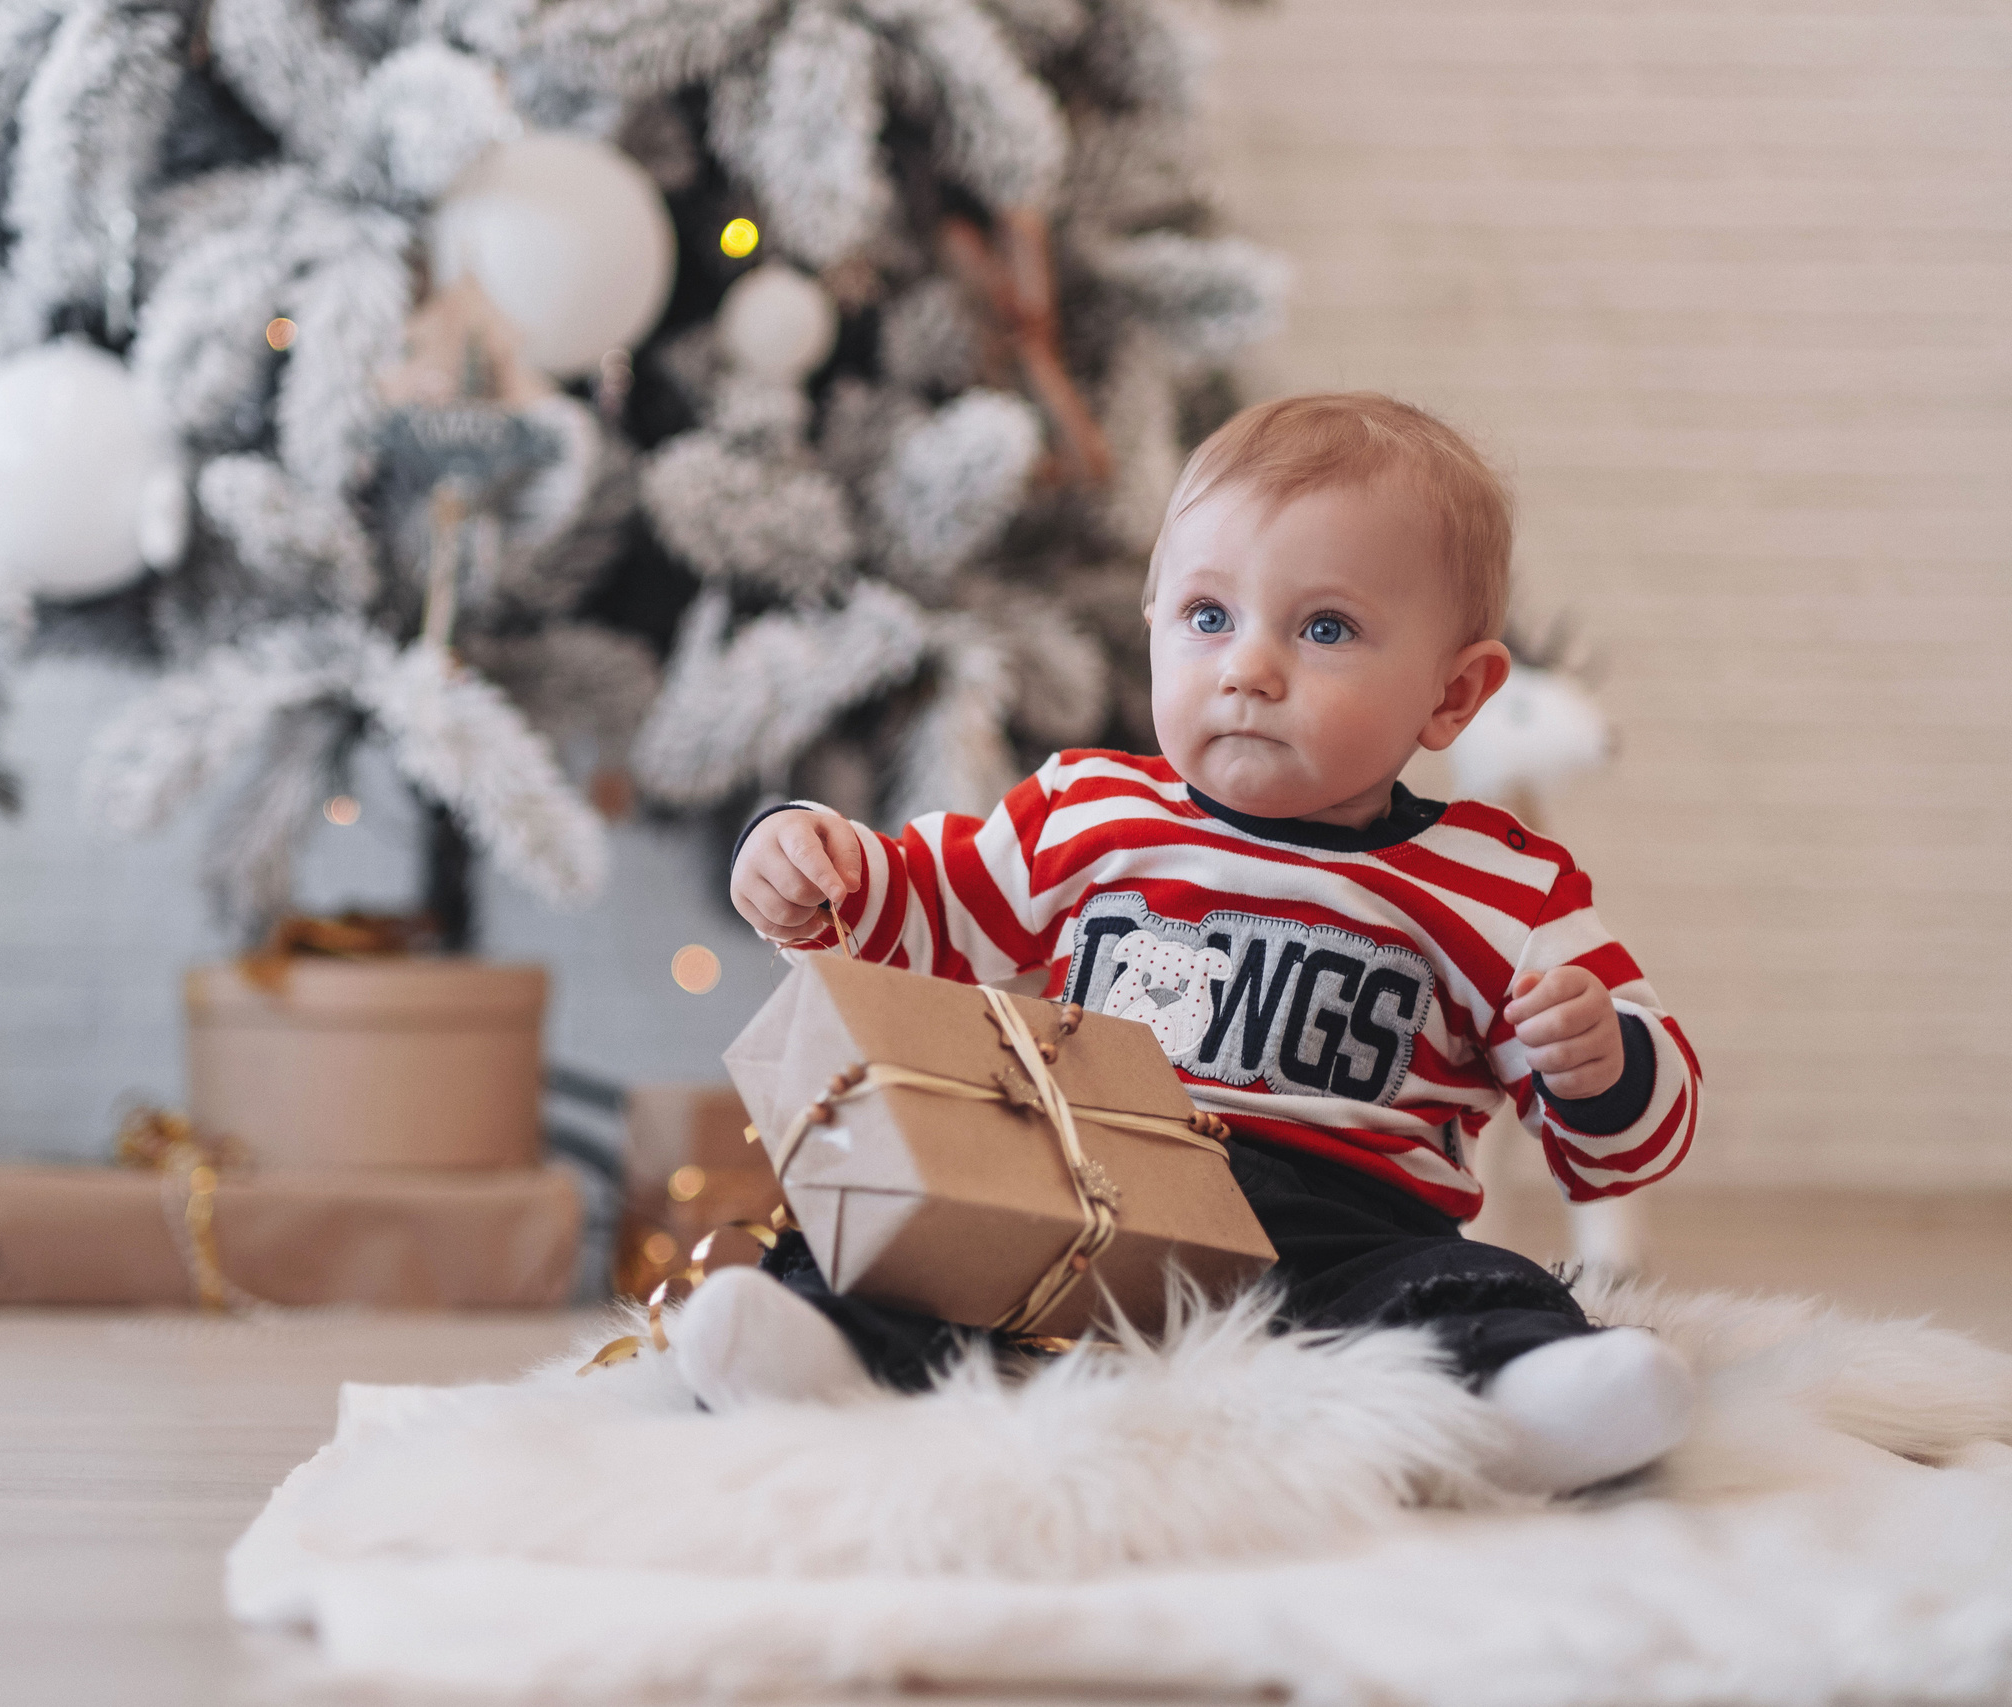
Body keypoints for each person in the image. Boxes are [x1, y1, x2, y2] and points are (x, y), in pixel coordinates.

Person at [697, 392, 1701, 1497]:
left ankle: (1515, 1412)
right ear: (1153, 618)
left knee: (1470, 1291)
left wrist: (1601, 1059)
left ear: (1452, 694)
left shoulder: (1500, 883)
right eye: (1208, 617)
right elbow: (934, 912)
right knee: (903, 1234)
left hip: (1341, 1228)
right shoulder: (1093, 810)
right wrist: (815, 863)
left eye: (1324, 629)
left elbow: (1626, 1142)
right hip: (1082, 1184)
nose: (1248, 668)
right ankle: (821, 1355)